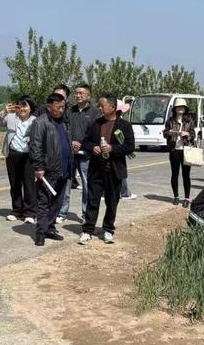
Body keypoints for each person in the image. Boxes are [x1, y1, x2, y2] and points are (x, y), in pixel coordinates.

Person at [79, 94, 135, 245]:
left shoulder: (124, 125)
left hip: (114, 170)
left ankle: (108, 229)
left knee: (112, 202)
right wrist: (93, 147)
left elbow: (130, 146)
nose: (100, 108)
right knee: (92, 201)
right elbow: (85, 142)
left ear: (112, 107)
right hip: (96, 170)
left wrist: (112, 148)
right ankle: (87, 230)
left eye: (102, 105)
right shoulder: (96, 124)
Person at [29, 91, 71, 245]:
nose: (61, 110)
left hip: (64, 168)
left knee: (57, 203)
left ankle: (50, 228)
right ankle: (40, 232)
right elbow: (35, 146)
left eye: (63, 107)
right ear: (49, 107)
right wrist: (39, 166)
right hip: (48, 170)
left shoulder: (64, 121)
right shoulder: (40, 122)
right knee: (44, 202)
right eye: (58, 107)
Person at [0, 96, 37, 224]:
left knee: (29, 184)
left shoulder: (35, 121)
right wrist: (4, 111)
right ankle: (16, 210)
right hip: (13, 154)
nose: (22, 109)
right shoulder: (11, 117)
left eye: (25, 106)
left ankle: (30, 212)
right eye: (20, 106)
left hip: (28, 156)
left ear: (31, 108)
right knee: (15, 183)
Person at [67, 83, 100, 217]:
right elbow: (65, 129)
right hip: (70, 154)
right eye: (76, 93)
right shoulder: (69, 111)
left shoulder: (95, 113)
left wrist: (82, 145)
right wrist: (71, 142)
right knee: (66, 184)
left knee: (87, 185)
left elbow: (96, 134)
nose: (78, 95)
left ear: (89, 95)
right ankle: (62, 213)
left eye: (81, 93)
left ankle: (86, 213)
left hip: (86, 155)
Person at [164, 98, 197, 207]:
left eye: (182, 107)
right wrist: (170, 133)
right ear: (175, 109)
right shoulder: (170, 120)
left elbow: (193, 135)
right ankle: (176, 196)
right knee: (175, 174)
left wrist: (187, 134)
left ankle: (187, 198)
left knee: (186, 175)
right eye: (178, 107)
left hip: (186, 150)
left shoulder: (189, 120)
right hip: (174, 150)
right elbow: (165, 133)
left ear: (185, 109)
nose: (180, 109)